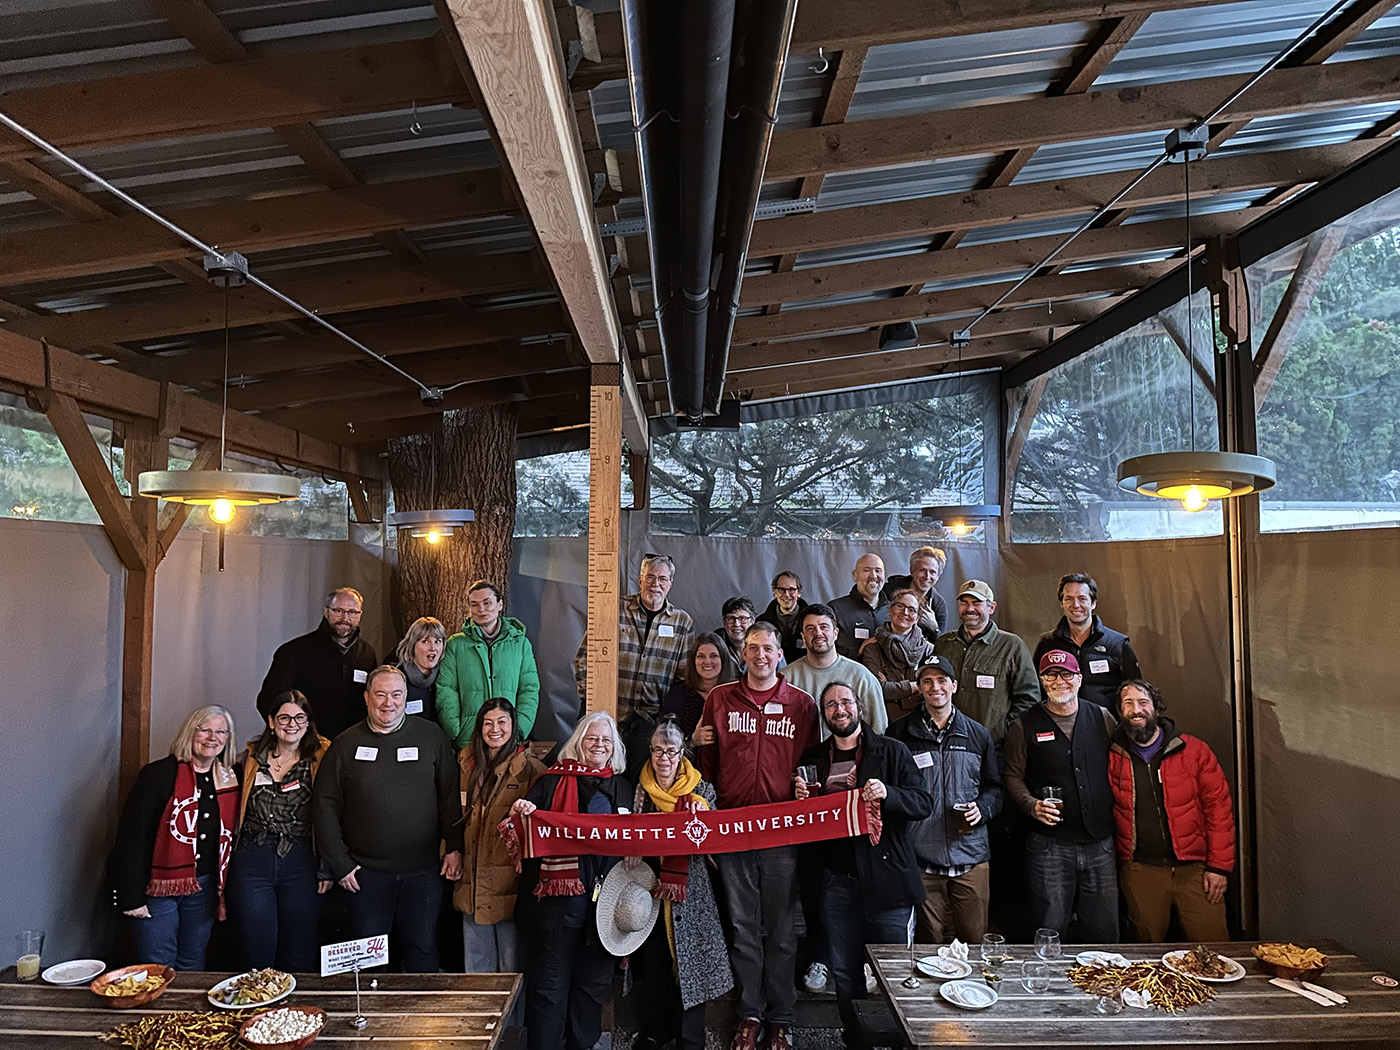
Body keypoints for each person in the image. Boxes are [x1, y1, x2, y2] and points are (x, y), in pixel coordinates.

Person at [696, 622, 818, 1050]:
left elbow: (810, 765)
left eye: (768, 648)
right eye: (753, 648)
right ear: (742, 653)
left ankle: (781, 1017)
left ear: (781, 654)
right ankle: (749, 1013)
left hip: (780, 832)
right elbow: (706, 766)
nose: (761, 655)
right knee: (744, 925)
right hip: (731, 830)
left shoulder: (802, 705)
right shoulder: (719, 699)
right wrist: (709, 827)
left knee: (783, 930)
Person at [795, 682, 931, 1046]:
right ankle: (857, 1040)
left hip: (887, 880)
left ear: (859, 706)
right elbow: (804, 821)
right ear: (824, 715)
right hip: (837, 880)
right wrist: (799, 800)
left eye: (845, 702)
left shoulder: (892, 751)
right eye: (830, 705)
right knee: (845, 973)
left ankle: (903, 1041)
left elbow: (923, 802)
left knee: (898, 973)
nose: (839, 709)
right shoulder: (812, 759)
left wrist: (889, 794)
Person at [312, 665, 463, 972]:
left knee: (422, 947)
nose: (388, 703)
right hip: (365, 875)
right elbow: (324, 806)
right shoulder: (345, 744)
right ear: (367, 698)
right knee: (368, 959)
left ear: (406, 697)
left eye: (396, 694)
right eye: (380, 694)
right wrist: (339, 863)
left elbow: (450, 796)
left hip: (423, 873)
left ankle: (423, 1018)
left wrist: (455, 847)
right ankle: (372, 1018)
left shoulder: (430, 736)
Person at [511, 712, 631, 1050]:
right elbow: (522, 831)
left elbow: (638, 838)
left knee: (590, 994)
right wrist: (521, 812)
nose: (599, 745)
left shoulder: (623, 788)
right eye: (592, 738)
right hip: (557, 914)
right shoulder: (551, 782)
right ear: (578, 743)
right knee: (548, 994)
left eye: (606, 741)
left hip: (604, 915)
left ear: (614, 749)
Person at [629, 717, 734, 1050]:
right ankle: (655, 1033)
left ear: (682, 753)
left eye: (671, 751)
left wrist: (701, 816)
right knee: (656, 963)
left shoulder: (702, 789)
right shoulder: (640, 789)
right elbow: (627, 829)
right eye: (657, 750)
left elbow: (715, 840)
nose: (663, 758)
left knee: (692, 966)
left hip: (693, 889)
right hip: (650, 889)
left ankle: (690, 1039)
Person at [108, 705, 240, 970]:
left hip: (204, 889)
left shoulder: (230, 780)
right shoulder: (158, 775)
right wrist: (130, 896)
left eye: (220, 731)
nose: (212, 737)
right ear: (190, 732)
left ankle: (187, 1013)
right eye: (204, 730)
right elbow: (132, 837)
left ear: (228, 738)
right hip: (157, 889)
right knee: (157, 966)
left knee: (193, 962)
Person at [1003, 650, 1119, 942]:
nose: (1059, 681)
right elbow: (1012, 776)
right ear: (1042, 681)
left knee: (1104, 928)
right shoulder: (1024, 725)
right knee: (1049, 927)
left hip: (1100, 842)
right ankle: (1049, 986)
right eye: (1051, 675)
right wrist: (1032, 806)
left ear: (1079, 679)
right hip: (1049, 846)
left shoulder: (1103, 718)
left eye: (1066, 674)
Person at [887, 658, 1002, 944]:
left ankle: (973, 990)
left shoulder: (977, 734)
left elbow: (995, 788)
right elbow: (892, 792)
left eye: (941, 681)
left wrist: (983, 808)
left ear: (954, 685)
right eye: (927, 681)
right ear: (919, 688)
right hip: (920, 859)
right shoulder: (898, 734)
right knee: (928, 946)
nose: (934, 687)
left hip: (971, 858)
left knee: (974, 941)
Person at [1109, 680, 1235, 942]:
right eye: (1128, 704)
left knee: (1214, 952)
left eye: (1143, 703)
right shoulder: (1111, 756)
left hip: (1197, 872)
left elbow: (1219, 811)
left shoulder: (1194, 751)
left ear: (1157, 709)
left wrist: (1219, 868)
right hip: (1142, 872)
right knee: (1145, 957)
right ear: (1120, 712)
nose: (1136, 710)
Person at [227, 690, 331, 972]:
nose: (292, 724)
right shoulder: (249, 756)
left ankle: (294, 1013)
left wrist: (329, 865)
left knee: (298, 950)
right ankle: (258, 1012)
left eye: (300, 717)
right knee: (256, 949)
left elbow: (335, 811)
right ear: (272, 721)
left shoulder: (323, 755)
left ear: (308, 721)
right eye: (284, 717)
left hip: (301, 859)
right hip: (252, 858)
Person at [455, 698, 546, 1014]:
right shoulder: (466, 764)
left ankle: (512, 1036)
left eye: (502, 722)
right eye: (488, 723)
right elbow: (454, 815)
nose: (495, 730)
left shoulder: (530, 769)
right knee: (476, 969)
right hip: (472, 881)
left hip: (509, 884)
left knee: (510, 968)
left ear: (513, 727)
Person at [575, 554, 694, 773]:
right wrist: (591, 703)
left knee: (638, 777)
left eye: (662, 579)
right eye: (650, 577)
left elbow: (683, 678)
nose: (655, 584)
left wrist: (666, 717)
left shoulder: (682, 623)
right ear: (640, 580)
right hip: (606, 715)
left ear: (670, 583)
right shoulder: (614, 609)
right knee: (597, 774)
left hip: (649, 719)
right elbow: (584, 658)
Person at [258, 587, 378, 741]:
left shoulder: (367, 653)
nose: (345, 618)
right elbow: (268, 701)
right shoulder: (294, 652)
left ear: (360, 615)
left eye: (352, 612)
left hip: (351, 744)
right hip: (308, 746)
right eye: (338, 611)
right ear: (326, 612)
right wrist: (292, 737)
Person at [933, 580, 1038, 751]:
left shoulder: (1012, 645)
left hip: (992, 748)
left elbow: (1029, 698)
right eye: (964, 603)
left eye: (976, 603)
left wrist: (1005, 731)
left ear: (992, 607)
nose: (970, 609)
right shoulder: (944, 644)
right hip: (947, 743)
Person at [439, 580, 542, 749]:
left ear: (500, 604)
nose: (481, 609)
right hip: (468, 739)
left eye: (487, 603)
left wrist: (519, 729)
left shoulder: (520, 644)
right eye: (475, 604)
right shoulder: (456, 645)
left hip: (508, 739)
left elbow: (529, 689)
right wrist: (455, 729)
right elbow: (446, 688)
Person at [1033, 573, 1142, 709]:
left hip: (1107, 725)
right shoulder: (1047, 643)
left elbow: (1135, 691)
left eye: (1082, 598)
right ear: (1062, 604)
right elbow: (1036, 687)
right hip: (1061, 723)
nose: (1076, 605)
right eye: (1069, 599)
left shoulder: (1118, 644)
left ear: (1093, 603)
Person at [784, 604, 886, 738]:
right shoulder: (785, 678)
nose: (818, 633)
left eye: (824, 627)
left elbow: (878, 730)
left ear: (835, 633)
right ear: (803, 637)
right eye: (810, 629)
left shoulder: (862, 677)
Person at [862, 588, 937, 725]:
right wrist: (916, 685)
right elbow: (878, 689)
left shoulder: (927, 650)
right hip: (884, 721)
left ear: (917, 618)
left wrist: (894, 690)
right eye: (900, 606)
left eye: (912, 610)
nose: (905, 612)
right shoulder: (873, 647)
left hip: (920, 721)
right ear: (890, 610)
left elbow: (930, 689)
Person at [659, 632, 737, 738]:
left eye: (714, 656)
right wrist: (692, 741)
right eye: (701, 656)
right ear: (693, 661)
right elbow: (666, 739)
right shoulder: (678, 693)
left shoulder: (737, 694)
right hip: (687, 753)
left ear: (723, 660)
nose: (707, 661)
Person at [880, 546, 949, 644]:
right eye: (922, 570)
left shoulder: (938, 604)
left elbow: (942, 645)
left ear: (939, 575)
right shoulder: (890, 591)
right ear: (912, 571)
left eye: (932, 572)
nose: (927, 577)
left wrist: (934, 628)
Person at [827, 553, 889, 659]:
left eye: (878, 570)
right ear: (855, 575)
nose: (873, 576)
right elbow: (825, 650)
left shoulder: (895, 612)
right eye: (867, 570)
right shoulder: (835, 609)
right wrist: (858, 651)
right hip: (848, 674)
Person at [395, 616, 446, 725]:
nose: (433, 648)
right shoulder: (397, 678)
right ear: (412, 645)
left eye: (437, 641)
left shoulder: (446, 677)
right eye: (425, 641)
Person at [758, 571, 808, 664]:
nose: (787, 594)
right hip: (774, 674)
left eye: (791, 589)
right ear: (775, 592)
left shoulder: (811, 621)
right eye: (782, 589)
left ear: (799, 593)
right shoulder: (762, 623)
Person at [717, 596, 758, 672]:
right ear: (724, 622)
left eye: (742, 618)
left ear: (752, 621)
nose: (736, 624)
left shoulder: (765, 644)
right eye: (731, 618)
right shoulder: (715, 646)